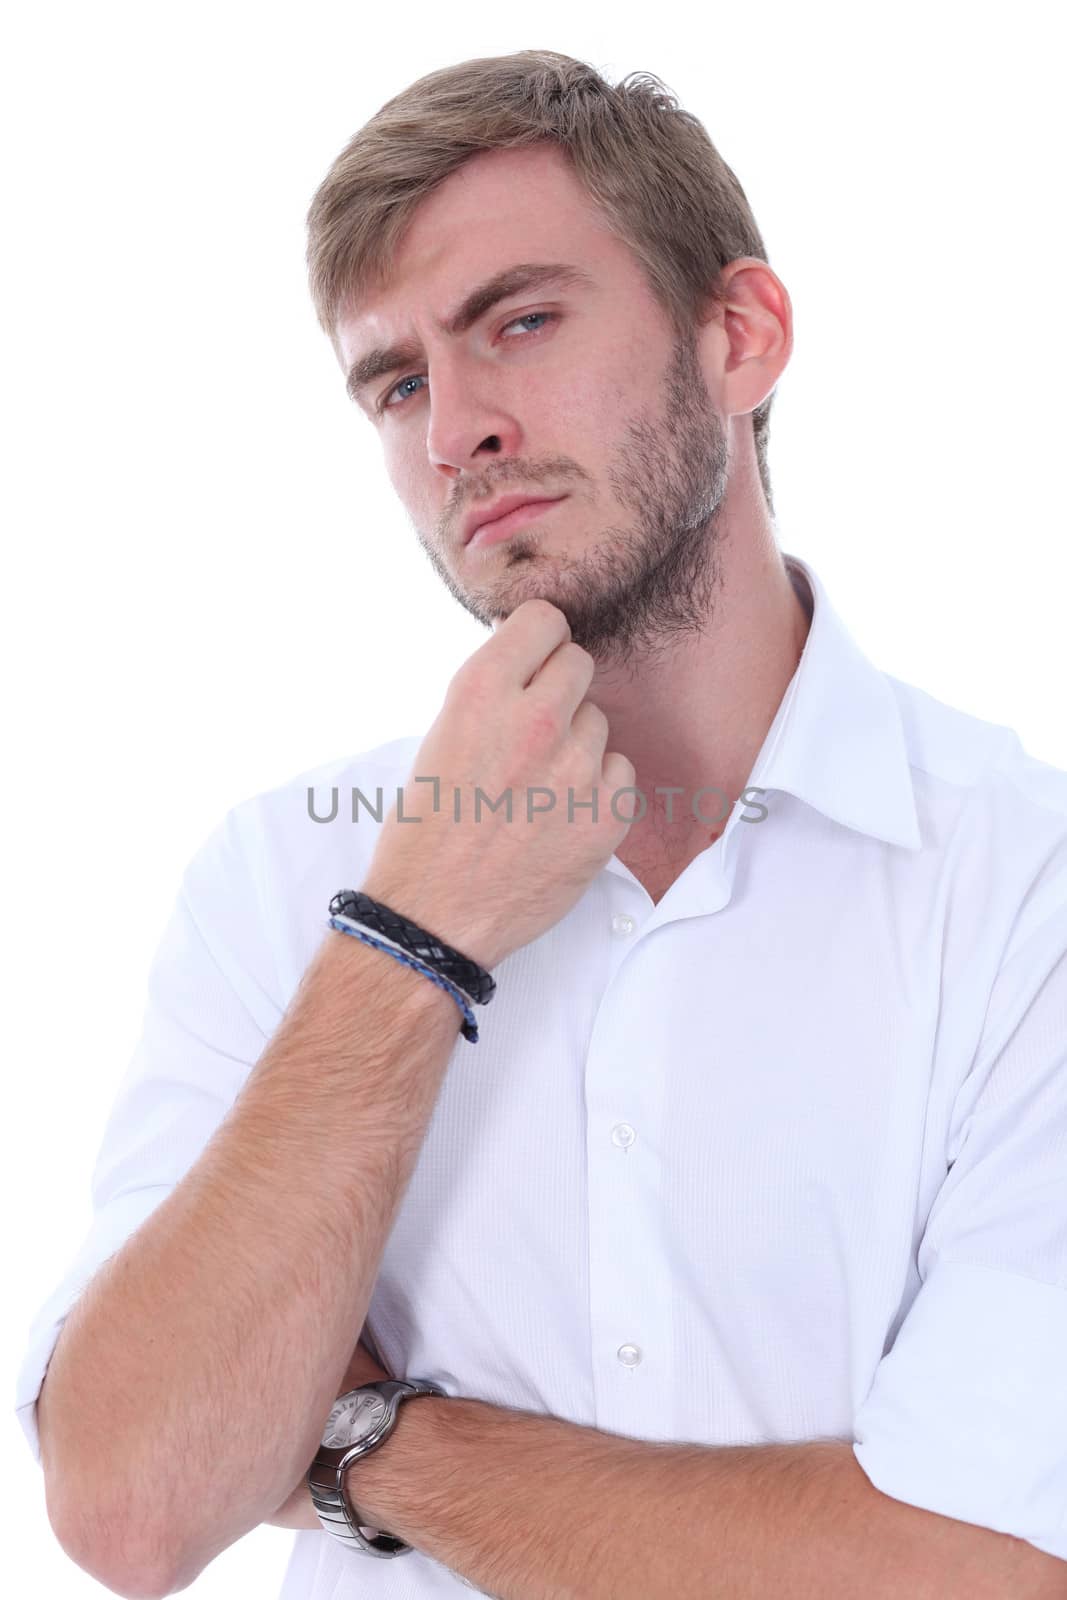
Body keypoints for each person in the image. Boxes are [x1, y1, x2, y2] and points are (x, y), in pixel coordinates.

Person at [16, 48, 1067, 1600]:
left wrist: (360, 1437)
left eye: (518, 322)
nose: (454, 432)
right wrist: (408, 942)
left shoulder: (1020, 883)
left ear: (739, 335)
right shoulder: (287, 878)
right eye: (396, 383)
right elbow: (133, 1507)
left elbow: (979, 1568)